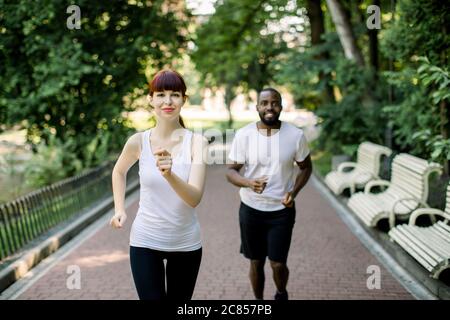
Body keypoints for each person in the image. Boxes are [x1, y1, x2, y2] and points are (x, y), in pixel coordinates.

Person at [110, 70, 208, 300]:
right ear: (150, 99)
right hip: (145, 241)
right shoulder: (138, 142)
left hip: (185, 243)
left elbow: (194, 198)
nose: (167, 101)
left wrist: (169, 174)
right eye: (161, 94)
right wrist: (119, 209)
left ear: (184, 99)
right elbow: (118, 171)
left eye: (175, 94)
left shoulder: (197, 143)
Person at [226, 88, 312, 300]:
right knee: (255, 262)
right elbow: (230, 171)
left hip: (281, 210)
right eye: (264, 103)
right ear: (257, 107)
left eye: (274, 103)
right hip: (251, 209)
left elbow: (306, 167)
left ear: (281, 107)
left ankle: (281, 293)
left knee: (278, 263)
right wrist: (247, 183)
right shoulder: (244, 134)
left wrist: (294, 192)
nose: (269, 107)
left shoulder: (295, 135)